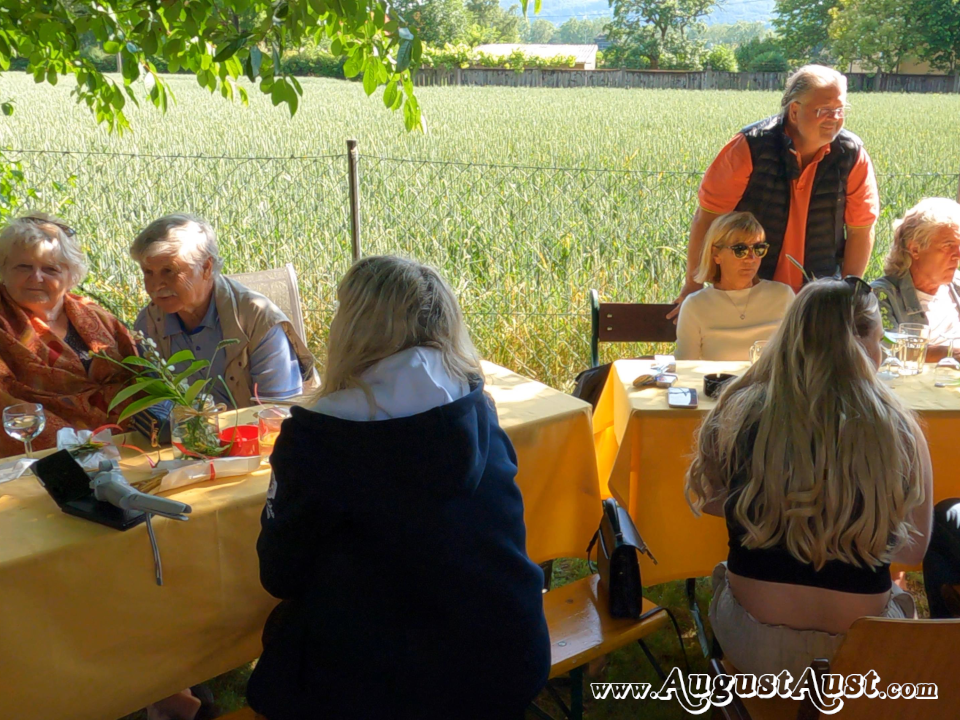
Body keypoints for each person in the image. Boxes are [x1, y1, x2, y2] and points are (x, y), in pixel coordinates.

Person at [247, 255, 551, 720]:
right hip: (509, 655)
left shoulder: (320, 435)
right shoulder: (475, 403)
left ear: (352, 327)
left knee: (288, 651)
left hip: (393, 687)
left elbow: (280, 574)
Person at [685, 278, 932, 677]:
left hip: (754, 643)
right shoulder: (899, 430)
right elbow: (911, 552)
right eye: (879, 340)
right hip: (859, 655)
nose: (882, 352)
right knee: (901, 602)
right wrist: (841, 521)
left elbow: (715, 503)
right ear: (859, 342)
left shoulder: (739, 410)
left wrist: (785, 510)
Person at [669, 64, 879, 320]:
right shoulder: (748, 147)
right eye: (824, 110)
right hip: (746, 293)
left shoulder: (852, 155)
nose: (834, 118)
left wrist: (847, 293)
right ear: (794, 110)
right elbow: (708, 218)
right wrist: (693, 286)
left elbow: (861, 229)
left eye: (839, 110)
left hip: (816, 299)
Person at [131, 214, 316, 409]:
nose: (156, 285)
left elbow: (278, 414)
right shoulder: (149, 325)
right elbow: (156, 407)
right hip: (186, 436)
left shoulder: (258, 321)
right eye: (148, 272)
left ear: (206, 267)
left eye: (169, 271)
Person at [0, 214, 138, 457]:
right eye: (23, 267)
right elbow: (8, 407)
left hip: (130, 443)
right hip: (38, 456)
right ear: (3, 268)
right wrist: (80, 450)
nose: (36, 277)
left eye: (50, 269)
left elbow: (140, 377)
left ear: (71, 276)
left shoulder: (97, 317)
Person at [676, 211, 794, 360]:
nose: (751, 258)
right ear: (716, 254)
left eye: (758, 249)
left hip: (770, 383)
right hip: (720, 383)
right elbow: (686, 368)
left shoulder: (782, 296)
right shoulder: (696, 306)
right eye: (740, 250)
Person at [872, 197, 960, 352]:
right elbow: (892, 353)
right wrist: (951, 353)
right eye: (949, 246)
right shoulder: (881, 296)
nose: (957, 255)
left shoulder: (956, 285)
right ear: (915, 249)